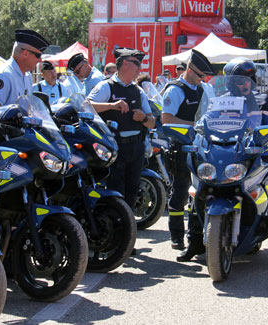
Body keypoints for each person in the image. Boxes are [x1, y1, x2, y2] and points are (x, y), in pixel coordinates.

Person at [222, 57, 268, 259]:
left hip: (259, 155)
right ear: (231, 83)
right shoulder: (222, 101)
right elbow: (205, 121)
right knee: (200, 187)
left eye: (248, 79)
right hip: (229, 155)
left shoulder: (262, 100)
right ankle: (194, 241)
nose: (245, 84)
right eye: (239, 80)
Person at [160, 49, 214, 258]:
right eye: (200, 75)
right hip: (181, 147)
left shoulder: (203, 89)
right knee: (180, 191)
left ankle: (197, 236)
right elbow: (166, 119)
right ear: (190, 70)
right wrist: (193, 125)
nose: (203, 80)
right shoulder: (175, 90)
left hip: (201, 147)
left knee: (200, 192)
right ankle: (176, 236)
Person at [88, 47, 156, 209]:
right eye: (136, 64)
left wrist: (144, 118)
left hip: (136, 147)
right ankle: (116, 228)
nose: (140, 69)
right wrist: (112, 105)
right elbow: (85, 106)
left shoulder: (138, 91)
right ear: (125, 63)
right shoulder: (106, 86)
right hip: (116, 147)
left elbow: (152, 122)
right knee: (115, 192)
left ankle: (127, 227)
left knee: (131, 192)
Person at [0, 29, 49, 110]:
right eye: (38, 56)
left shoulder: (27, 76)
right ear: (25, 53)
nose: (40, 60)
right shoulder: (3, 75)